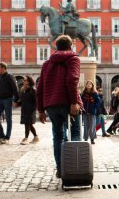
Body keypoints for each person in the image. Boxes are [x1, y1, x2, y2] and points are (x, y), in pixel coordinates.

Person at [36, 35, 83, 179]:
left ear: (56, 47)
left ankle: (60, 169)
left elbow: (40, 87)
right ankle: (74, 168)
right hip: (68, 103)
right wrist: (74, 102)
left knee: (57, 137)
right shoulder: (73, 59)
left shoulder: (47, 64)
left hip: (52, 105)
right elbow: (72, 80)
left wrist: (41, 110)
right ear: (71, 46)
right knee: (75, 134)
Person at [0, 62, 19, 145]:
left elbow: (15, 88)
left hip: (7, 99)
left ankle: (7, 137)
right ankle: (1, 136)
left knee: (8, 119)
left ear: (4, 68)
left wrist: (16, 100)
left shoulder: (10, 77)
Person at [18, 76, 39, 145]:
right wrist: (17, 103)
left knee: (27, 124)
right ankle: (36, 137)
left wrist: (35, 109)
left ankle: (26, 138)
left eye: (25, 80)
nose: (23, 81)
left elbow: (36, 101)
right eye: (23, 80)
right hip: (24, 109)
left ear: (29, 81)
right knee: (29, 125)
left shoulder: (33, 90)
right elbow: (22, 99)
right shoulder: (23, 89)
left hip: (31, 110)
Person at [81, 80, 100, 144]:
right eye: (87, 84)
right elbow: (81, 101)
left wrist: (94, 107)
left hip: (92, 112)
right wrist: (82, 107)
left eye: (90, 84)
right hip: (85, 112)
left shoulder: (95, 93)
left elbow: (98, 102)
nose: (89, 85)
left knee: (92, 126)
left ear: (92, 86)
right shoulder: (83, 94)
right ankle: (85, 138)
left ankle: (92, 139)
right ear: (86, 85)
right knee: (86, 126)